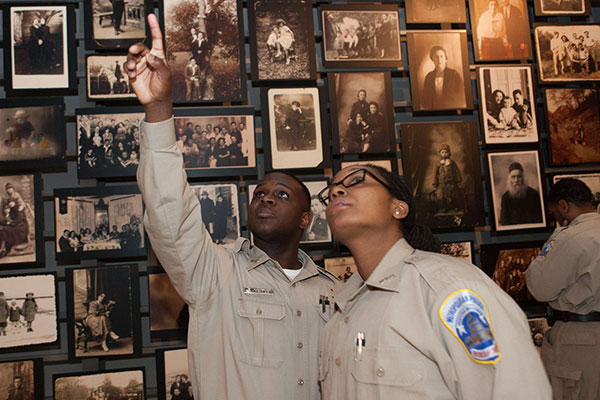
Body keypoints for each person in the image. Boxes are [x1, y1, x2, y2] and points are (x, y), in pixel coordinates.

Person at [126, 14, 339, 399]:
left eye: (283, 195)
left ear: (306, 220)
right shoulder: (215, 274)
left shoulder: (335, 293)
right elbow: (168, 211)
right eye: (260, 193)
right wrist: (159, 110)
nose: (267, 197)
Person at [317, 165, 551, 399]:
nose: (337, 191)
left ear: (398, 208)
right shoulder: (340, 315)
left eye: (357, 181)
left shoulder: (450, 288)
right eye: (331, 191)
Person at [525, 179, 600, 399]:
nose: (557, 218)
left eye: (555, 212)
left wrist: (555, 237)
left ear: (564, 205)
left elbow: (539, 287)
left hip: (580, 339)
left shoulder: (569, 237)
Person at [422, 45, 465, 110]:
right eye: (436, 57)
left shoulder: (454, 74)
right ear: (432, 59)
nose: (439, 59)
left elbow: (461, 96)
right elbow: (426, 98)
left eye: (441, 56)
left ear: (446, 59)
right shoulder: (429, 77)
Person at [433, 144, 462, 212]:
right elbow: (435, 174)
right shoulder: (438, 164)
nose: (444, 154)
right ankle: (444, 208)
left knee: (453, 195)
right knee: (442, 196)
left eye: (446, 152)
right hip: (442, 183)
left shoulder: (452, 163)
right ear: (440, 153)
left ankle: (454, 207)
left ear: (449, 153)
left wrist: (458, 180)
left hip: (451, 183)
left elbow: (457, 171)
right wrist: (435, 182)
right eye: (442, 152)